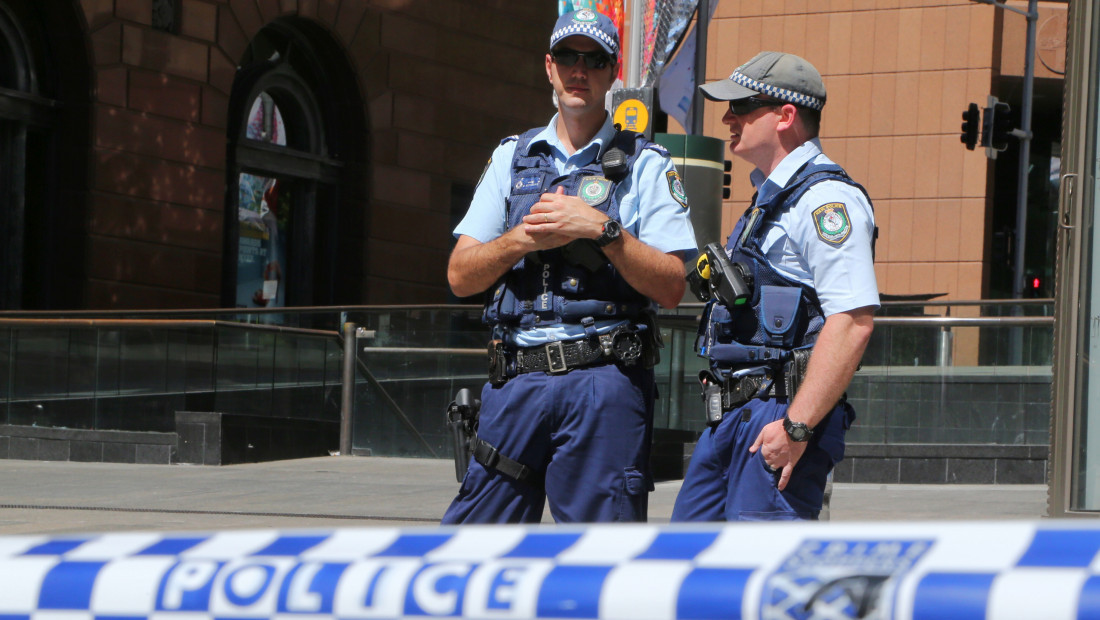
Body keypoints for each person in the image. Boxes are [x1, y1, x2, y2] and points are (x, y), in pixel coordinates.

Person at [441, 8, 697, 524]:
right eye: (568, 57)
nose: (580, 71)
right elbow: (459, 276)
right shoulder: (512, 158)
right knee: (469, 552)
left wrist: (600, 230)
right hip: (514, 383)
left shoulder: (647, 163)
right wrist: (520, 238)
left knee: (599, 564)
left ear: (612, 73)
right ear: (549, 67)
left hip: (602, 383)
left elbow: (673, 287)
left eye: (595, 60)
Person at [671, 51, 878, 521]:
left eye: (742, 106)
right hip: (733, 417)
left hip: (777, 418)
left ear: (786, 116)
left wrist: (797, 427)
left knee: (756, 583)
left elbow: (852, 322)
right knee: (683, 566)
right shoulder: (769, 199)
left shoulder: (827, 201)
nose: (727, 117)